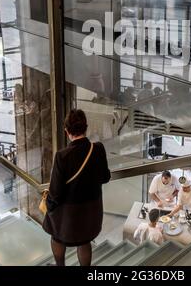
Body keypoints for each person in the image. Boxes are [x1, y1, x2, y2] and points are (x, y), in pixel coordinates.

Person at [42, 109, 111, 266]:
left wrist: (49, 206)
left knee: (56, 237)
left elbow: (56, 193)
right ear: (85, 127)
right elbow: (105, 178)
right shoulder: (98, 149)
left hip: (69, 215)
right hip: (91, 213)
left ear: (67, 131)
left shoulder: (62, 156)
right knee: (84, 240)